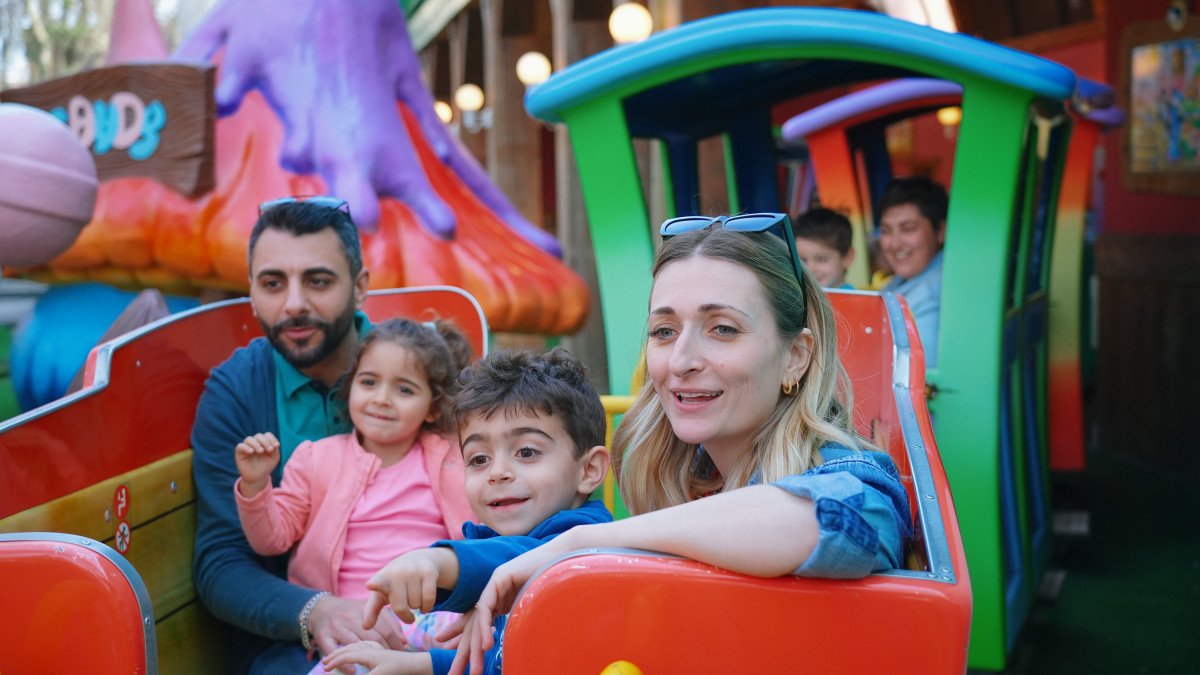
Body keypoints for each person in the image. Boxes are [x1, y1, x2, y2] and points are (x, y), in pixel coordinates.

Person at [447, 214, 913, 675]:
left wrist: (583, 543)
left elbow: (841, 519)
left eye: (723, 329)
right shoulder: (690, 477)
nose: (682, 360)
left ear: (795, 357)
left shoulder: (846, 466)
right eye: (664, 332)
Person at [191, 196, 410, 674]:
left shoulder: (419, 370)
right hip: (296, 645)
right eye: (273, 283)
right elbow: (220, 562)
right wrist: (317, 611)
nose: (294, 304)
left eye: (318, 281)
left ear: (359, 287)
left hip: (431, 619)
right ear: (251, 292)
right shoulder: (236, 391)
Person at [320, 348, 613, 675]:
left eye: (527, 452)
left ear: (588, 470)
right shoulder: (497, 537)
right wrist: (413, 664)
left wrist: (437, 562)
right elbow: (498, 659)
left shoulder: (584, 543)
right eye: (478, 459)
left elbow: (520, 558)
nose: (497, 472)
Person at [233, 318, 476, 665]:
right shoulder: (316, 459)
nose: (382, 399)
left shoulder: (452, 457)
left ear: (433, 407)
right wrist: (256, 484)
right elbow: (272, 539)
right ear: (351, 387)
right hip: (356, 626)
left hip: (434, 616)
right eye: (369, 382)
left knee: (482, 641)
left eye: (404, 389)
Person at [877, 176, 947, 367]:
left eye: (908, 229)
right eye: (886, 231)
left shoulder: (937, 293)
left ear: (941, 231)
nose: (895, 244)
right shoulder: (901, 282)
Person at [793, 207, 856, 290]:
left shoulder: (856, 301)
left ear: (847, 257)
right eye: (802, 260)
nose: (810, 269)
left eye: (821, 259)